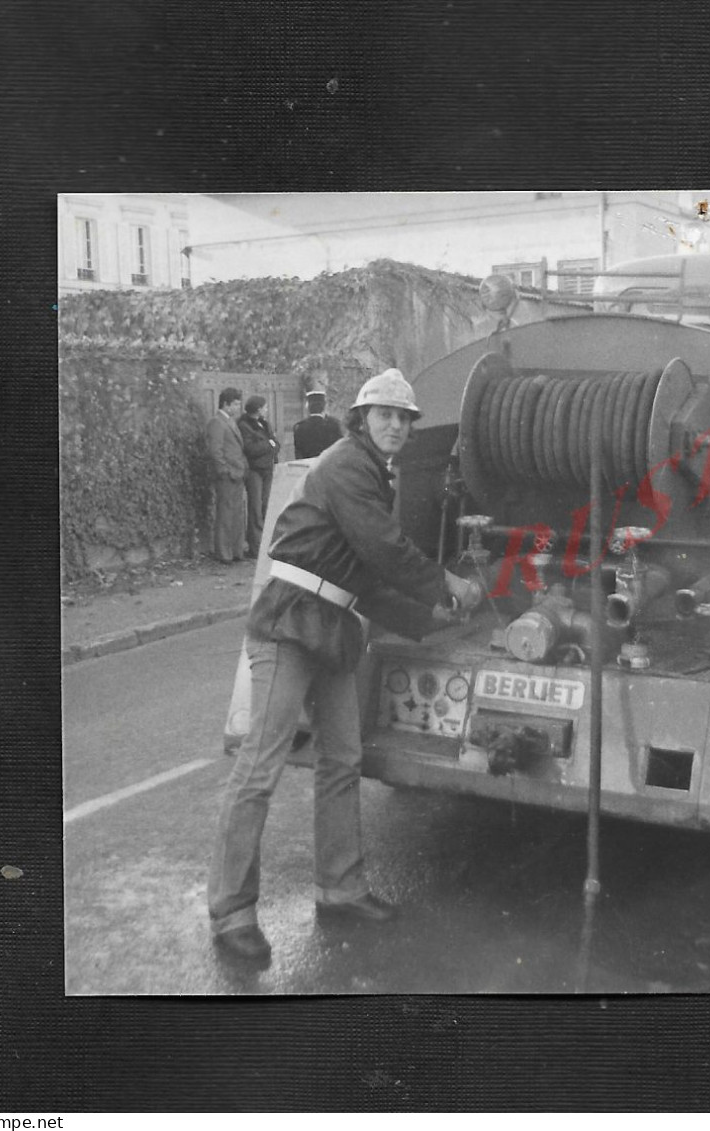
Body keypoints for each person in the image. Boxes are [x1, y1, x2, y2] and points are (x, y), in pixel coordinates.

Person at [207, 368, 484, 967]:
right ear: (361, 418)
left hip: (331, 626)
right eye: (383, 414)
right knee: (260, 766)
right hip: (288, 621)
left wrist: (434, 618)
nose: (394, 425)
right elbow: (385, 550)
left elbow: (365, 578)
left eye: (403, 418)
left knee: (343, 759)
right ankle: (231, 912)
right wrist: (449, 583)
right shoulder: (347, 466)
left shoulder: (372, 473)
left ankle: (341, 889)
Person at [206, 387, 249, 562]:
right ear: (226, 404)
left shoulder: (230, 421)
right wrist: (225, 471)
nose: (239, 407)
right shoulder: (216, 422)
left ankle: (236, 551)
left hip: (237, 474)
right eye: (236, 404)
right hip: (228, 476)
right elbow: (215, 451)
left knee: (237, 515)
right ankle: (224, 553)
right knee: (225, 514)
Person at [238, 395, 280, 555]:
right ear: (257, 409)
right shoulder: (244, 425)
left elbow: (277, 444)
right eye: (265, 407)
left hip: (268, 469)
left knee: (266, 506)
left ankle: (266, 544)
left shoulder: (264, 423)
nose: (267, 409)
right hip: (254, 470)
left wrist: (269, 445)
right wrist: (268, 444)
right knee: (255, 507)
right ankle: (255, 546)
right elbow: (251, 449)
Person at [292, 388, 344, 460]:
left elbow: (299, 455)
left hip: (308, 468)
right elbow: (339, 450)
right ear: (324, 406)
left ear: (308, 407)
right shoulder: (334, 425)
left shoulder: (299, 428)